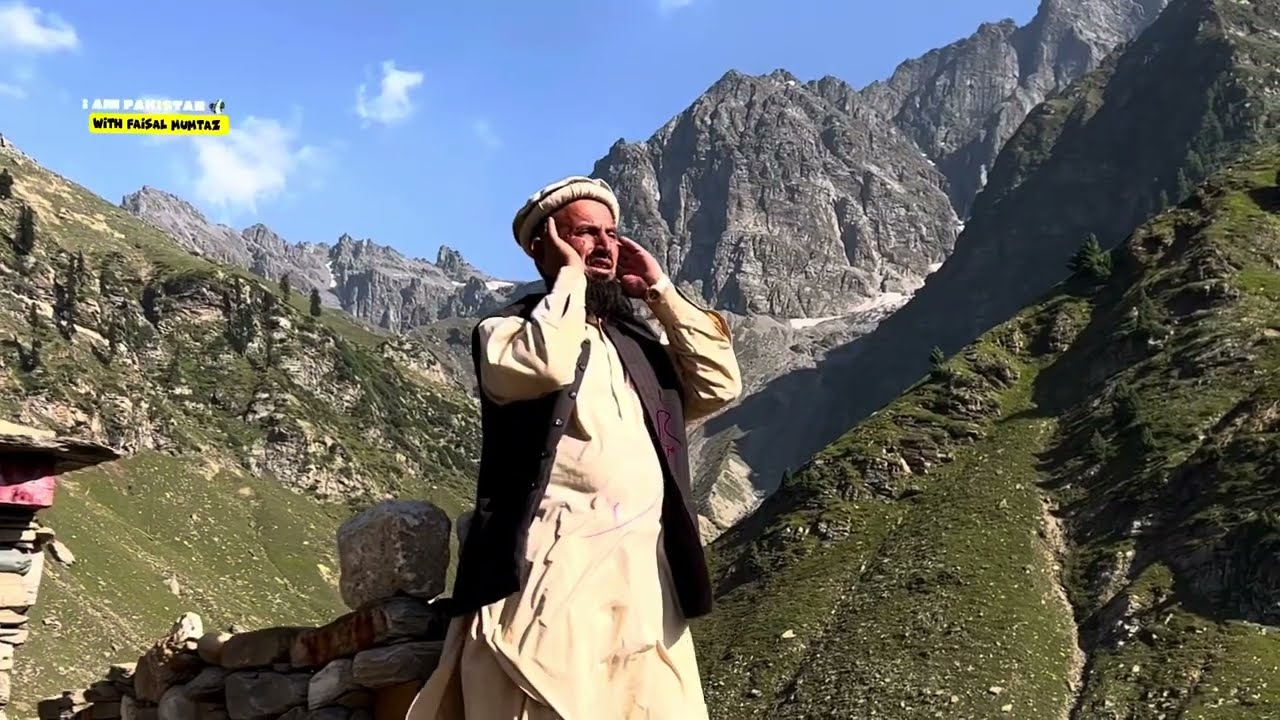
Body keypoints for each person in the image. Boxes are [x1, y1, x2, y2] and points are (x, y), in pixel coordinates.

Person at [407, 176, 743, 720]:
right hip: (552, 575)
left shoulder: (639, 348)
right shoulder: (508, 331)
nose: (605, 244)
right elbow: (545, 367)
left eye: (612, 232)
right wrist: (568, 278)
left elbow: (719, 385)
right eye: (584, 233)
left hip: (645, 582)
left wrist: (659, 292)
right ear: (545, 246)